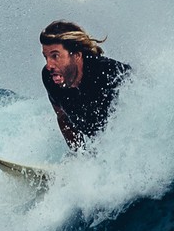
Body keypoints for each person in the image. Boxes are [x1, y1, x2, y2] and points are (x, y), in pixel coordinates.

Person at [40, 20, 130, 148]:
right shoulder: (50, 78)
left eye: (55, 56)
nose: (49, 65)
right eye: (46, 57)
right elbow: (63, 118)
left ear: (76, 55)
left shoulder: (108, 73)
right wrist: (80, 157)